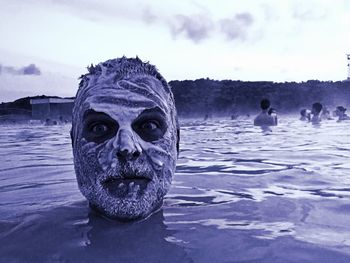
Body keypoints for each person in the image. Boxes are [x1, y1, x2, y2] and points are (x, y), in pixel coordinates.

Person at [71, 56, 180, 221]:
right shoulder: (28, 239)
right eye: (100, 128)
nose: (127, 148)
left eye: (149, 126)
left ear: (176, 143)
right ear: (74, 145)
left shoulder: (216, 234)